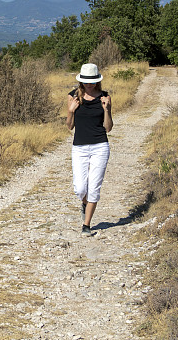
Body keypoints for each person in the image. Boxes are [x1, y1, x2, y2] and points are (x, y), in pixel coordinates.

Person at [66, 63, 113, 236]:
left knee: (94, 187)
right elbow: (69, 127)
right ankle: (85, 203)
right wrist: (71, 112)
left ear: (97, 81)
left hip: (100, 146)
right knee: (80, 188)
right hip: (79, 147)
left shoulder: (105, 97)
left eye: (92, 81)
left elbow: (108, 128)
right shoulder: (73, 97)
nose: (89, 84)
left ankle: (86, 225)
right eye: (86, 81)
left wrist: (106, 110)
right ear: (81, 81)